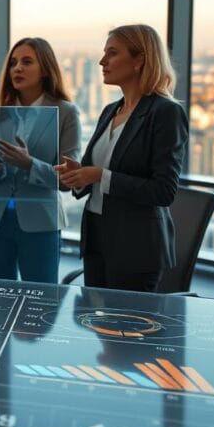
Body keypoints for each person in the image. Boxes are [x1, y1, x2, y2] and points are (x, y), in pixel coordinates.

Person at [55, 24, 187, 293]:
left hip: (135, 248)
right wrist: (78, 175)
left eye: (112, 53)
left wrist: (99, 176)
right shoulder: (110, 111)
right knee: (100, 330)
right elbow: (96, 173)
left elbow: (164, 191)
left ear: (140, 59)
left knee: (126, 332)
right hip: (97, 239)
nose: (102, 61)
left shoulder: (165, 112)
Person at [0, 38, 81, 283]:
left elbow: (69, 179)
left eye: (26, 62)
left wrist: (29, 164)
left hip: (41, 223)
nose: (17, 68)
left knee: (39, 304)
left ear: (45, 69)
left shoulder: (66, 113)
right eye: (13, 63)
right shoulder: (0, 113)